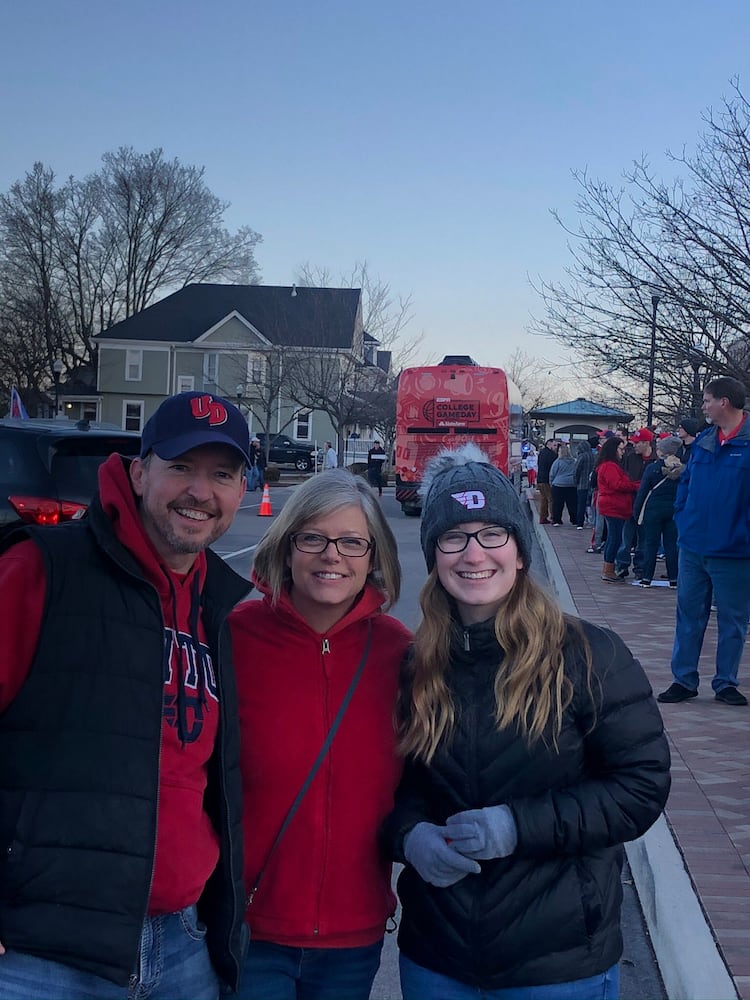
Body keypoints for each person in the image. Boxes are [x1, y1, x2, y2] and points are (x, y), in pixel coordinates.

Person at [382, 443, 670, 1000]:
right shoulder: (416, 665)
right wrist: (409, 836)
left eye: (493, 533)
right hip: (437, 957)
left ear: (519, 550)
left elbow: (641, 786)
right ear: (434, 553)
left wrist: (518, 827)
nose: (473, 554)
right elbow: (394, 787)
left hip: (559, 964)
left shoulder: (589, 654)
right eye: (453, 537)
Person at [0, 391, 251, 999]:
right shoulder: (44, 570)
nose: (200, 491)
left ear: (242, 490)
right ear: (139, 472)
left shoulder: (219, 605)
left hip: (182, 947)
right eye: (181, 467)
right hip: (45, 953)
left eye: (222, 474)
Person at [229, 470, 411, 999]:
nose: (333, 555)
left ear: (373, 557)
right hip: (250, 928)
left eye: (352, 542)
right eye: (313, 538)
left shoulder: (400, 654)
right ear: (287, 548)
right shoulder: (233, 638)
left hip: (353, 937)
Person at [659, 377, 750, 707]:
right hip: (694, 546)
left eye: (707, 400)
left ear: (724, 402)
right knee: (688, 617)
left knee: (733, 621)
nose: (703, 406)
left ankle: (725, 682)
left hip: (735, 552)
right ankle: (684, 679)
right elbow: (686, 486)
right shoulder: (704, 442)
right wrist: (683, 518)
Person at [632, 435, 684, 589]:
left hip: (653, 510)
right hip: (673, 509)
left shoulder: (653, 468)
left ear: (663, 451)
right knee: (671, 545)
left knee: (651, 544)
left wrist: (637, 511)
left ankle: (646, 578)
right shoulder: (683, 468)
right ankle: (673, 579)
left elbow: (643, 491)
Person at [595, 435, 640, 583]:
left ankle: (609, 568)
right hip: (614, 506)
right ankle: (608, 570)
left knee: (613, 538)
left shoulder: (609, 465)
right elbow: (617, 485)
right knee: (614, 539)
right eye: (621, 449)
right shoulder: (610, 466)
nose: (623, 452)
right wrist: (635, 486)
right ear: (614, 450)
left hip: (614, 505)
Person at [615, 428, 655, 580]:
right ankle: (622, 565)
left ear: (646, 443)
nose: (634, 445)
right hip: (629, 503)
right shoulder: (630, 457)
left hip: (647, 505)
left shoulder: (656, 459)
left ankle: (640, 568)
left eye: (637, 443)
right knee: (625, 538)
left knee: (643, 540)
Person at [548, 442, 577, 525]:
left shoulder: (557, 462)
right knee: (572, 504)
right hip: (571, 485)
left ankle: (557, 520)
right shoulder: (574, 461)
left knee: (557, 504)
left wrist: (551, 483)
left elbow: (552, 473)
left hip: (558, 485)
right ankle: (574, 520)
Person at [574, 437, 597, 529]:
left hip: (582, 484)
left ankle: (580, 523)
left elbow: (576, 470)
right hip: (592, 484)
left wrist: (575, 481)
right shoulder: (594, 456)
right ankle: (591, 521)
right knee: (591, 504)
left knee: (581, 504)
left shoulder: (581, 457)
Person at [535, 439, 559, 524]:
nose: (556, 447)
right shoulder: (552, 455)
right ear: (549, 445)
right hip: (547, 480)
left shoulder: (542, 453)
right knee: (551, 499)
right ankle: (553, 517)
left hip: (540, 479)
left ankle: (543, 517)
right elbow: (553, 468)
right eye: (554, 445)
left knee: (543, 499)